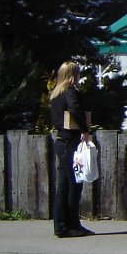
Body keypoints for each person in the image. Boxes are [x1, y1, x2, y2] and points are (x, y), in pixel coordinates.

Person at [49, 61, 93, 238]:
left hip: (61, 141)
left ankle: (61, 225)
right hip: (70, 142)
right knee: (74, 185)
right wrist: (84, 128)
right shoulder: (70, 92)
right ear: (73, 75)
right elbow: (75, 108)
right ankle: (72, 225)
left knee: (64, 186)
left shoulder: (55, 93)